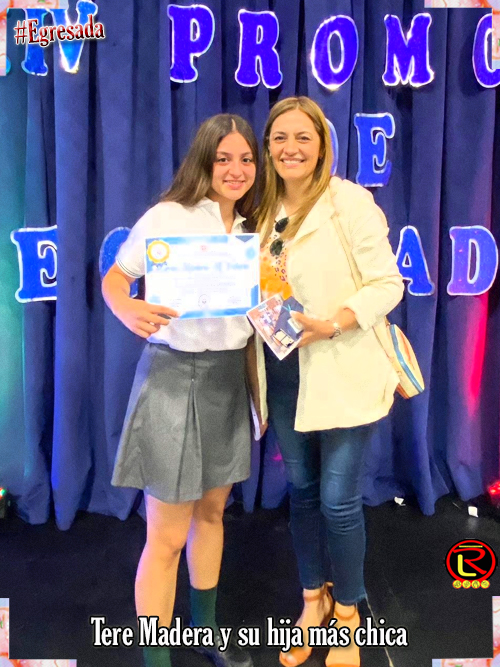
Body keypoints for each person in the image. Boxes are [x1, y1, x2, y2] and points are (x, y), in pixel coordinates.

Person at [102, 114, 264, 667]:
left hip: (227, 379)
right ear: (203, 161)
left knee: (212, 515)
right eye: (224, 159)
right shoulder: (167, 216)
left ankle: (205, 630)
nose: (236, 170)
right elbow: (116, 277)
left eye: (246, 159)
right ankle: (156, 660)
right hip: (173, 378)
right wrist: (127, 308)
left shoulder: (255, 228)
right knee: (166, 537)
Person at [254, 97, 404, 667]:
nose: (290, 148)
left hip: (343, 366)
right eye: (280, 138)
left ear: (322, 145)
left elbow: (387, 283)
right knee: (302, 492)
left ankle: (347, 616)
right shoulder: (258, 211)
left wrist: (334, 323)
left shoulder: (350, 203)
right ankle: (311, 601)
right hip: (284, 371)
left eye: (303, 137)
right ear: (268, 147)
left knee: (339, 501)